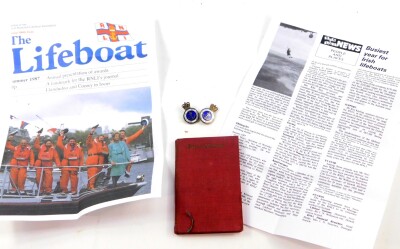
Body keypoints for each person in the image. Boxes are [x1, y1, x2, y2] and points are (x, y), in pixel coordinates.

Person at [57, 130, 84, 195]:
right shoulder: (65, 147)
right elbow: (59, 144)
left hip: (75, 164)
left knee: (74, 179)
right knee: (64, 178)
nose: (72, 142)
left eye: (73, 141)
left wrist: (81, 165)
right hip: (66, 163)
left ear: (75, 142)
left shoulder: (79, 148)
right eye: (71, 141)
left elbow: (81, 158)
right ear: (69, 142)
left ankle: (73, 191)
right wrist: (61, 136)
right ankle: (64, 190)